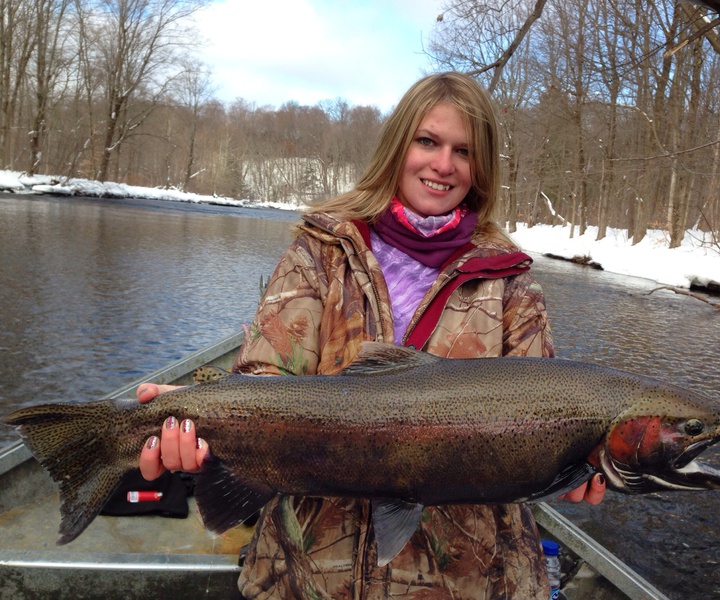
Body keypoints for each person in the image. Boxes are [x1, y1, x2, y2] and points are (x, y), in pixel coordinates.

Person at [137, 71, 605, 599]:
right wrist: (202, 421)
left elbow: (540, 411)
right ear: (398, 145)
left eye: (464, 152)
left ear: (482, 168)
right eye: (427, 141)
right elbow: (262, 379)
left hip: (469, 584)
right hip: (306, 579)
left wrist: (573, 466)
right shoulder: (319, 252)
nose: (443, 165)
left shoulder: (512, 283)